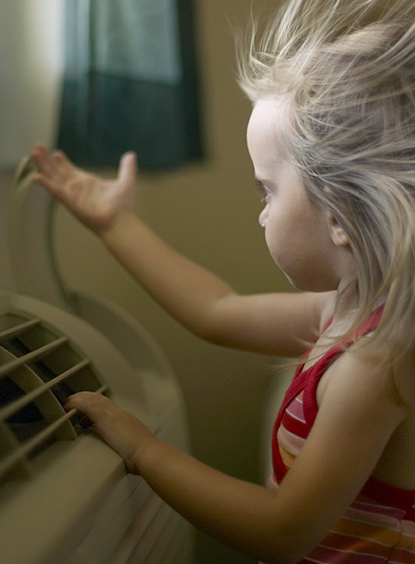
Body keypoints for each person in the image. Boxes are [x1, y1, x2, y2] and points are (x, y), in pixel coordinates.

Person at [31, 0, 415, 562]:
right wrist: (116, 225)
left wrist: (143, 450)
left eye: (268, 189)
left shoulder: (374, 365)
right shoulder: (343, 310)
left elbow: (282, 533)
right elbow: (216, 309)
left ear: (338, 215)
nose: (261, 211)